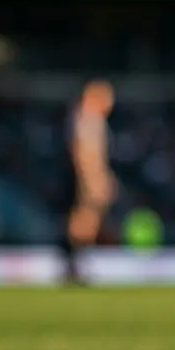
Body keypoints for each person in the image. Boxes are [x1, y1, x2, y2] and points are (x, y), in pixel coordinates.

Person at [60, 79, 116, 285]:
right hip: (86, 178)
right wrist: (94, 179)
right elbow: (86, 152)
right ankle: (75, 266)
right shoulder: (88, 119)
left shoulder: (83, 118)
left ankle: (75, 265)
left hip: (85, 176)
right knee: (84, 221)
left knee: (85, 221)